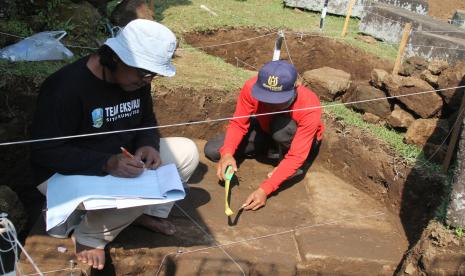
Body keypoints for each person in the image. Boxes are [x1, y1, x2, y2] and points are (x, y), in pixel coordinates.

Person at [30, 19, 199, 270]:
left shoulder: (136, 80)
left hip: (120, 162)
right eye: (144, 73)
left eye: (154, 74)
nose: (148, 80)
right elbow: (45, 152)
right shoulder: (64, 88)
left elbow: (147, 121)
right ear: (116, 58)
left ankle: (145, 214)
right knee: (138, 188)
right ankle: (90, 236)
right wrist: (106, 163)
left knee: (187, 152)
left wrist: (148, 144)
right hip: (66, 173)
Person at [204, 60, 324, 211]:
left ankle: (284, 162)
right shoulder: (250, 87)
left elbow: (297, 155)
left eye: (277, 101)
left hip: (294, 138)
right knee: (213, 150)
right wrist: (227, 154)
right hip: (265, 128)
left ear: (295, 88)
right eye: (266, 98)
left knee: (281, 130)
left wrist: (265, 190)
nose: (270, 104)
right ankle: (270, 150)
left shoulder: (309, 104)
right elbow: (238, 124)